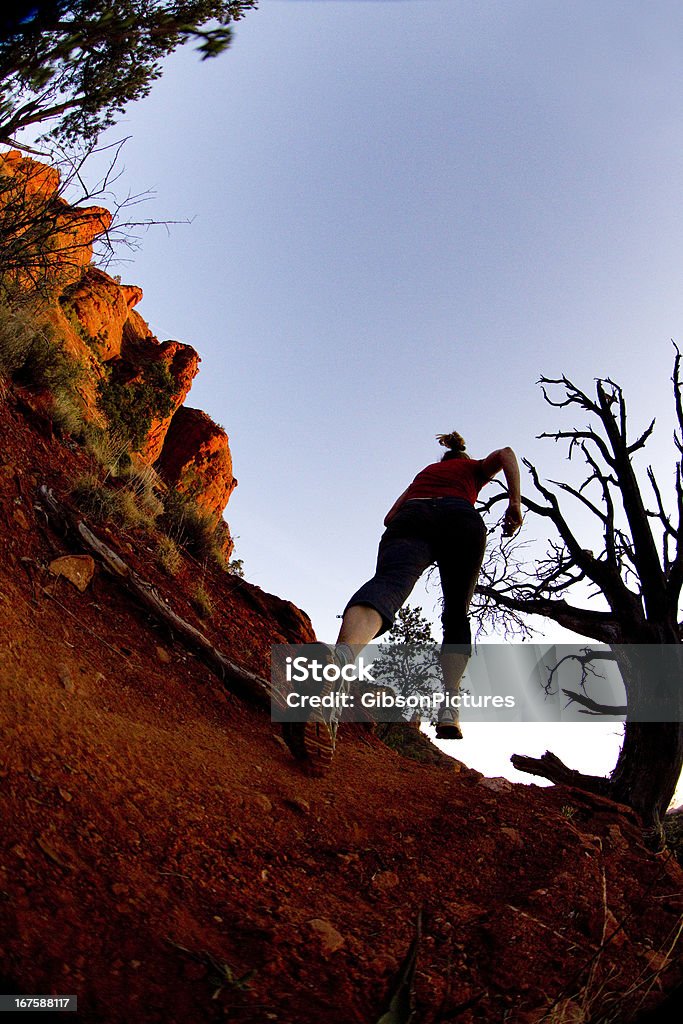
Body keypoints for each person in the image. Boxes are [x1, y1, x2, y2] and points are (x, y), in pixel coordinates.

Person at [282, 431, 522, 774]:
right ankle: (449, 705)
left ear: (441, 462)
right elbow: (507, 453)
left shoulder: (423, 475)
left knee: (388, 585)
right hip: (460, 517)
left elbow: (390, 516)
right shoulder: (471, 469)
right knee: (456, 610)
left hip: (413, 515)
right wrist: (514, 502)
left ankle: (341, 659)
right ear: (463, 460)